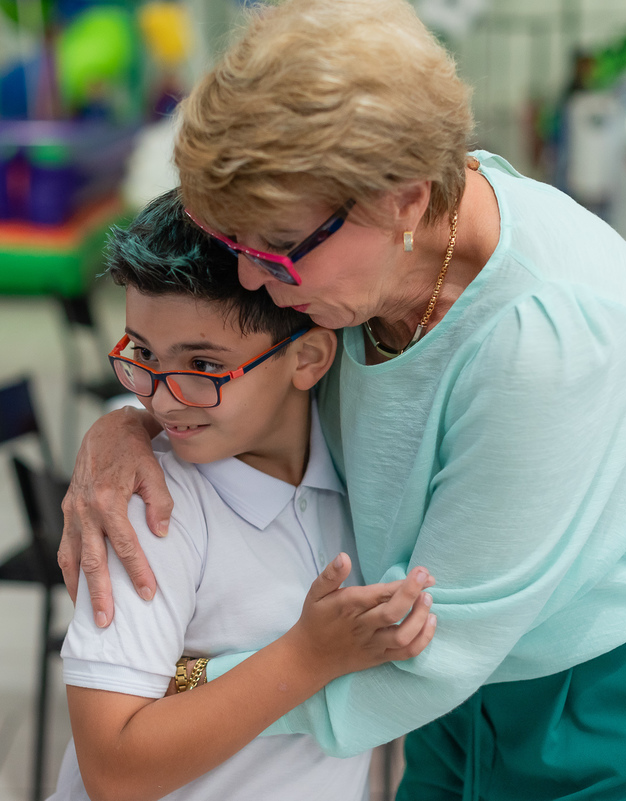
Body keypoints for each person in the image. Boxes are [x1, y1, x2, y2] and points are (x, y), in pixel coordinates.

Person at [58, 0, 626, 798]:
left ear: (404, 199)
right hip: (435, 642)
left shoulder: (548, 339)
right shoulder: (352, 267)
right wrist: (126, 427)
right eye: (237, 245)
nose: (253, 279)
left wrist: (175, 688)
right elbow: (233, 367)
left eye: (278, 251)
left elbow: (427, 655)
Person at [50, 188, 436, 801]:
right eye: (142, 354)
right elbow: (112, 766)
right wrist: (308, 658)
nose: (165, 399)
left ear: (309, 358)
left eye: (202, 365)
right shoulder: (152, 509)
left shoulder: (357, 471)